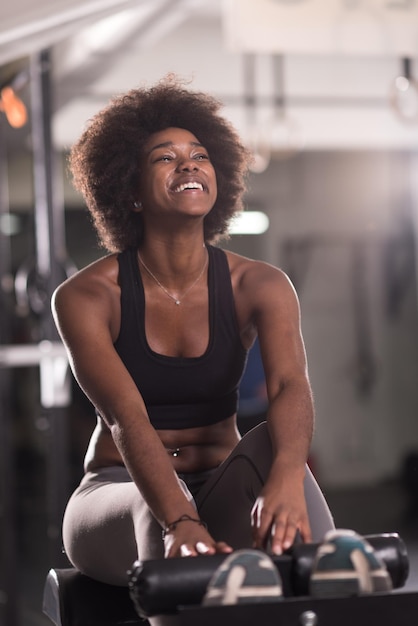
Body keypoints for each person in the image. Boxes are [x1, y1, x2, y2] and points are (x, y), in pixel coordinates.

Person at [52, 76, 334, 624]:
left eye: (200, 155)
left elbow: (288, 387)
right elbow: (125, 419)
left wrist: (285, 476)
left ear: (218, 177)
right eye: (165, 157)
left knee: (285, 458)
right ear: (129, 189)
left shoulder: (262, 284)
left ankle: (327, 575)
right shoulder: (87, 296)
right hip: (117, 497)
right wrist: (180, 521)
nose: (189, 165)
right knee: (152, 512)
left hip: (220, 483)